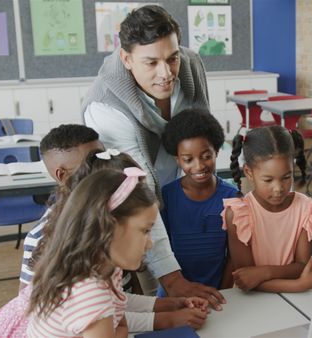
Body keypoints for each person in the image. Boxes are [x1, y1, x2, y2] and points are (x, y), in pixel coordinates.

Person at [82, 4, 221, 304]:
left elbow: (202, 136)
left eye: (172, 59)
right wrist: (171, 279)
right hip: (140, 214)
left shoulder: (190, 64)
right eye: (151, 62)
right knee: (161, 299)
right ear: (127, 58)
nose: (166, 74)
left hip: (186, 194)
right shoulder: (106, 108)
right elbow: (138, 192)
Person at [26, 169, 209, 337]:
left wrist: (170, 304)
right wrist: (120, 329)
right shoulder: (89, 290)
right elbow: (111, 314)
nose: (150, 243)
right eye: (145, 231)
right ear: (109, 227)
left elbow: (115, 305)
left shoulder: (101, 266)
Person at [221, 126, 312, 292]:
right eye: (268, 180)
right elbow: (245, 279)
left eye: (286, 177)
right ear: (249, 172)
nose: (278, 189)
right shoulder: (239, 214)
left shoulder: (305, 208)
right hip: (252, 303)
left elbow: (303, 266)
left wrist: (264, 272)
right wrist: (298, 285)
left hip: (292, 300)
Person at [160, 108, 238, 291]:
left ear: (217, 151)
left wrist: (224, 292)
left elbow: (233, 257)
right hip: (176, 292)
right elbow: (162, 253)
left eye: (206, 157)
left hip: (219, 291)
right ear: (177, 159)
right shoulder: (167, 197)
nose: (199, 166)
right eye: (188, 159)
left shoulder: (231, 197)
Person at [20, 124, 104, 289]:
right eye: (92, 163)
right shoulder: (41, 236)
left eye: (104, 157)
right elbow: (27, 302)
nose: (105, 167)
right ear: (62, 175)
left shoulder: (112, 207)